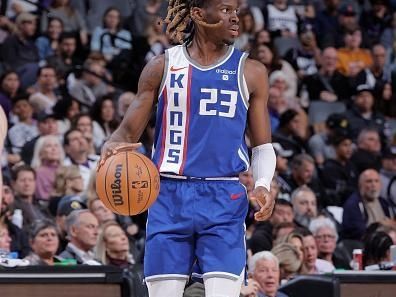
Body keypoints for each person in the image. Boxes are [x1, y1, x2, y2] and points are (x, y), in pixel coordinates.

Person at [101, 1, 277, 296]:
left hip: (223, 196)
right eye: (224, 9)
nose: (234, 17)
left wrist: (262, 184)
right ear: (197, 13)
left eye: (235, 10)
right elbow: (128, 129)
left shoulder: (252, 71)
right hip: (168, 196)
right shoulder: (162, 66)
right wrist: (112, 142)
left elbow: (262, 146)